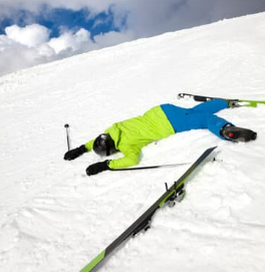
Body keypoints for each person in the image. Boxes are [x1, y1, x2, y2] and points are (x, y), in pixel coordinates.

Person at [64, 99, 257, 176]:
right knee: (193, 112)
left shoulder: (127, 146)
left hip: (171, 124)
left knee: (205, 120)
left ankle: (224, 129)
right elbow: (95, 141)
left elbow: (132, 159)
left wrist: (106, 165)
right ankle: (222, 102)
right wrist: (81, 149)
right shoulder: (112, 129)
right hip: (162, 110)